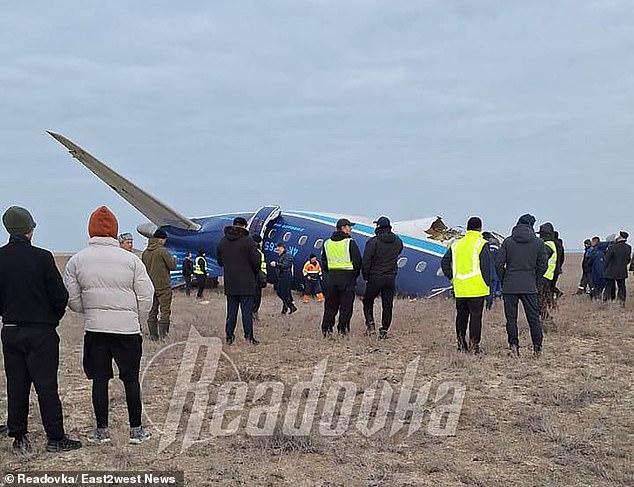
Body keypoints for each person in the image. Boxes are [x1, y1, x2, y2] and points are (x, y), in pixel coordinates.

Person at [64, 206, 154, 445]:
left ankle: (101, 431)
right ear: (115, 231)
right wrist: (134, 315)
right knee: (131, 379)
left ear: (90, 230)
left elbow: (72, 299)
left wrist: (91, 311)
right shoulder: (131, 260)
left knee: (100, 380)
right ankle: (136, 430)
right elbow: (147, 294)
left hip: (96, 330)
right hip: (127, 330)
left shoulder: (76, 260)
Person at [0, 206, 81, 453]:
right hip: (41, 332)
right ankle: (55, 438)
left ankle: (18, 435)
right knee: (46, 385)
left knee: (16, 384)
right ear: (29, 229)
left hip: (10, 330)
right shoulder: (43, 257)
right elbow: (60, 296)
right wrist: (52, 319)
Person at [495, 214, 548, 357]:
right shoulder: (538, 243)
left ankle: (514, 348)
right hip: (529, 285)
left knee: (511, 319)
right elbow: (543, 265)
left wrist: (504, 279)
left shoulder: (508, 242)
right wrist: (535, 279)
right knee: (533, 319)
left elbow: (499, 263)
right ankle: (537, 349)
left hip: (510, 285)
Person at [441, 217, 491, 354]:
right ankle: (474, 346)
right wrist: (488, 284)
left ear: (467, 227)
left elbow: (444, 262)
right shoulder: (482, 243)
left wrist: (452, 277)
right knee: (475, 317)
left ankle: (461, 344)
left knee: (461, 317)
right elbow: (486, 267)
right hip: (477, 288)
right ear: (480, 228)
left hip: (460, 288)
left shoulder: (456, 244)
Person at [216, 217, 261, 345]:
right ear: (244, 226)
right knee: (247, 313)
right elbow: (256, 261)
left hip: (230, 283)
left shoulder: (223, 242)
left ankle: (229, 336)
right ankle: (249, 337)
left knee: (231, 312)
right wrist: (254, 272)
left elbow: (220, 262)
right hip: (247, 283)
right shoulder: (248, 242)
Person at [361, 216, 403, 338]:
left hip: (375, 277)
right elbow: (399, 251)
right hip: (390, 278)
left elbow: (366, 261)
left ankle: (371, 325)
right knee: (387, 304)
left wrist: (366, 276)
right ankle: (384, 330)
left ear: (378, 226)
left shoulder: (373, 242)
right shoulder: (397, 241)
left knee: (368, 301)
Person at [321, 218, 362, 336]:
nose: (351, 229)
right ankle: (343, 330)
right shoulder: (350, 242)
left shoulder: (327, 243)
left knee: (330, 306)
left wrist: (330, 272)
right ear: (343, 228)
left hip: (331, 278)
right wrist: (354, 277)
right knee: (346, 307)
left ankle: (326, 330)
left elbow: (323, 261)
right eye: (349, 226)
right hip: (347, 279)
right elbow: (357, 261)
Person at [141, 229, 176, 340]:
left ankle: (153, 335)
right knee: (165, 311)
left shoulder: (145, 252)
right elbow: (172, 266)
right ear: (161, 239)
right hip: (163, 286)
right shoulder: (162, 251)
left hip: (150, 286)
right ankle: (163, 336)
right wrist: (174, 259)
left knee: (152, 311)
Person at [537, 223, 558, 326]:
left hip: (543, 277)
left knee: (539, 301)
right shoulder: (551, 244)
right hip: (547, 277)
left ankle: (547, 321)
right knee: (543, 299)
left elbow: (541, 260)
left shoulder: (547, 246)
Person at [603, 231, 631, 305]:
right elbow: (628, 260)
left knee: (608, 287)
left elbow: (607, 259)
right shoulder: (628, 247)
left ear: (620, 237)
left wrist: (605, 268)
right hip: (622, 271)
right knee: (622, 287)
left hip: (611, 270)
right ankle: (621, 302)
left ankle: (606, 302)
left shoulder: (612, 247)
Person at [271, 243, 297, 314]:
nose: (277, 251)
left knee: (283, 293)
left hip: (286, 277)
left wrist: (276, 264)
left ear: (282, 248)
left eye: (278, 249)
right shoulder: (283, 255)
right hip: (282, 276)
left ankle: (291, 306)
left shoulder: (288, 255)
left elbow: (286, 265)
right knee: (280, 292)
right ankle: (287, 307)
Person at [482, 232, 501, 310]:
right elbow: (499, 261)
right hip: (494, 272)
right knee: (491, 290)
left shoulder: (482, 247)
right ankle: (488, 306)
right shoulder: (496, 248)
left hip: (483, 272)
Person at [252, 235, 267, 322]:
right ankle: (253, 314)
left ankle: (254, 313)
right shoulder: (256, 253)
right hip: (257, 278)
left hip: (259, 278)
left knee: (257, 298)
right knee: (256, 298)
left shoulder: (258, 252)